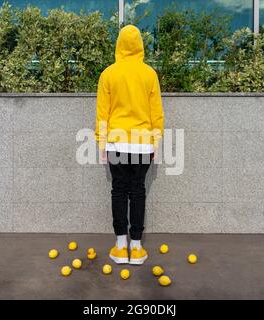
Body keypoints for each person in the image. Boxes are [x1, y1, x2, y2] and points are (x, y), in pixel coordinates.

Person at [95, 24, 164, 265]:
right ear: (140, 47)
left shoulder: (108, 74)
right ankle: (137, 247)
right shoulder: (149, 74)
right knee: (137, 191)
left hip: (116, 144)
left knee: (118, 190)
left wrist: (101, 143)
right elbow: (157, 114)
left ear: (119, 46)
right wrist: (156, 142)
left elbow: (102, 115)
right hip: (143, 146)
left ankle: (120, 245)